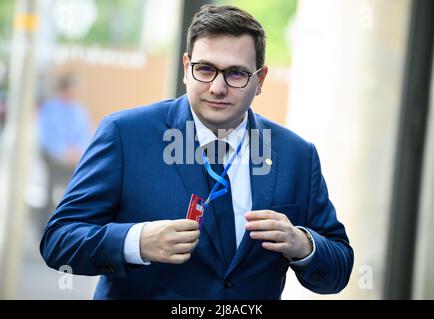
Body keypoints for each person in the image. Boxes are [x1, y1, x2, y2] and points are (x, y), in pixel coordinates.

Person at [40, 5, 353, 299]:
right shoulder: (125, 134)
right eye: (205, 69)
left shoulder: (296, 154)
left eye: (235, 74)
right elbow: (59, 240)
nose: (217, 88)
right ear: (186, 68)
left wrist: (302, 244)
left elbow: (339, 265)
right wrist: (135, 242)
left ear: (260, 80)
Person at [38, 74, 92, 227]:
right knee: (50, 193)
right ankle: (45, 226)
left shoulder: (80, 111)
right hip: (54, 159)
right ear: (65, 89)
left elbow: (86, 135)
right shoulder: (50, 109)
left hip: (75, 160)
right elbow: (48, 137)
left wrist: (77, 152)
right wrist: (64, 152)